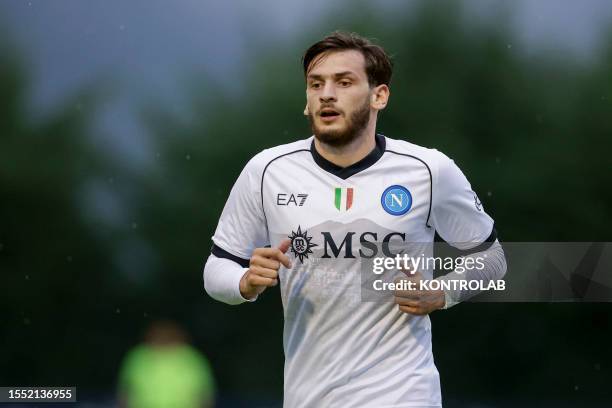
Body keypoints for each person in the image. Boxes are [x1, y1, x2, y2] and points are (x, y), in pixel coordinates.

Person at [204, 31, 506, 408]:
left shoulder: (429, 170)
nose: (326, 94)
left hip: (404, 393)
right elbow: (216, 268)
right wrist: (244, 281)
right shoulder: (267, 170)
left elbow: (493, 260)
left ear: (379, 95)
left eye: (343, 82)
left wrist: (442, 293)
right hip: (308, 397)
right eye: (316, 84)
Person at [117, 320, 216, 408]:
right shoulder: (138, 356)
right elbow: (125, 392)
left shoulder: (191, 357)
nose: (162, 336)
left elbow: (205, 394)